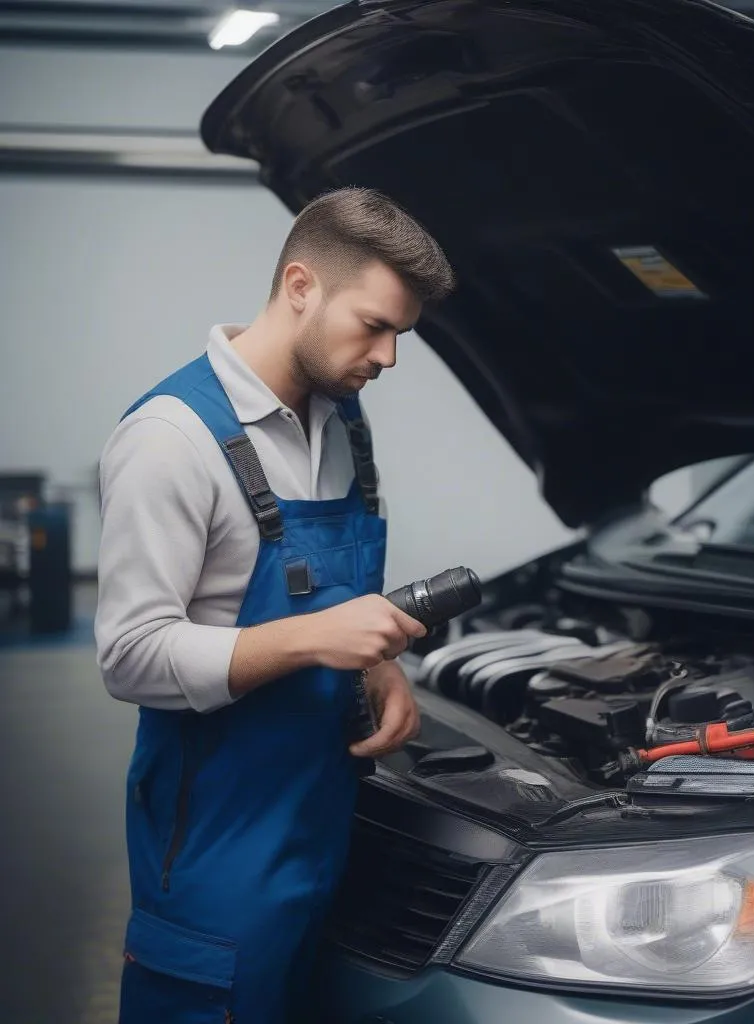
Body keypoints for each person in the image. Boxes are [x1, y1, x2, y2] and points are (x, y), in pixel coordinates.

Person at [94, 187, 457, 1023]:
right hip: (219, 843)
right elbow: (129, 656)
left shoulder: (344, 423)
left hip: (330, 819)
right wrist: (310, 639)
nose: (390, 356)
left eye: (403, 333)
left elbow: (340, 600)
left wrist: (379, 665)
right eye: (374, 325)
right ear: (301, 285)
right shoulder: (171, 441)